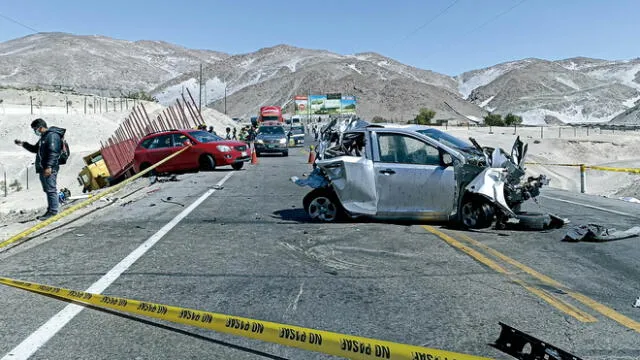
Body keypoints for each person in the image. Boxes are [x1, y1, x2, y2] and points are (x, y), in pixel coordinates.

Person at [14, 119, 66, 221]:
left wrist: (49, 167)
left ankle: (53, 212)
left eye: (35, 129)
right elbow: (35, 149)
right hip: (44, 168)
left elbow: (53, 153)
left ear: (41, 127)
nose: (35, 131)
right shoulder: (44, 137)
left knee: (51, 189)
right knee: (48, 189)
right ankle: (50, 210)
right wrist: (23, 144)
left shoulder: (52, 136)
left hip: (49, 168)